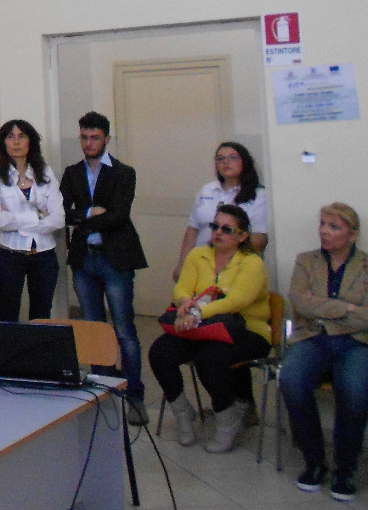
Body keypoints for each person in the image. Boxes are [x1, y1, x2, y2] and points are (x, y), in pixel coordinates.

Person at [280, 203, 368, 501]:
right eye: (323, 224)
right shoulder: (306, 261)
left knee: (353, 387)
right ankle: (314, 462)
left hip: (360, 343)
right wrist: (349, 308)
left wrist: (324, 309)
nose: (324, 231)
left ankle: (345, 469)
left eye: (334, 227)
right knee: (291, 379)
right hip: (314, 338)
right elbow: (300, 302)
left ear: (352, 235)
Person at [149, 204, 270, 454]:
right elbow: (182, 288)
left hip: (247, 330)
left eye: (227, 229)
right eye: (215, 226)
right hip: (203, 328)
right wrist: (185, 302)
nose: (218, 232)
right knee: (160, 352)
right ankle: (183, 412)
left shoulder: (252, 262)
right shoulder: (198, 255)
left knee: (210, 358)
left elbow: (237, 301)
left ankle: (227, 419)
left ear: (242, 236)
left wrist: (197, 313)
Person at [61, 111, 149, 424]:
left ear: (106, 139)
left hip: (116, 258)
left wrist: (83, 216)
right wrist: (89, 212)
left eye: (95, 137)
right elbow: (62, 213)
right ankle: (102, 391)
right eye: (84, 137)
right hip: (85, 259)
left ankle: (135, 395)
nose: (89, 143)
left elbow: (118, 216)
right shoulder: (72, 173)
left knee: (124, 329)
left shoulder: (124, 173)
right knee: (94, 329)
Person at [0, 119, 64, 321]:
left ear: (31, 141)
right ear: (3, 142)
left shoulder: (45, 172)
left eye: (22, 136)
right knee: (7, 315)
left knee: (41, 315)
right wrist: (38, 215)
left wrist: (14, 219)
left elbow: (59, 219)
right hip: (10, 254)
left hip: (44, 254)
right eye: (10, 136)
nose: (16, 142)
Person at [171, 141, 268, 281]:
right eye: (220, 158)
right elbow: (192, 230)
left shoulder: (259, 195)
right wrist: (182, 264)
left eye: (233, 157)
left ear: (245, 162)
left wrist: (225, 256)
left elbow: (259, 239)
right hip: (201, 262)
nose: (226, 162)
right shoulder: (207, 190)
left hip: (236, 267)